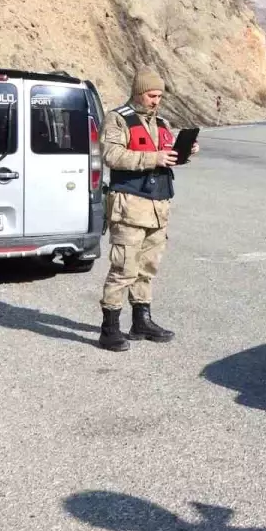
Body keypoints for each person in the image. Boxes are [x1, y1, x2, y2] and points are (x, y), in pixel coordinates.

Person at [97, 67, 198, 352]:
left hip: (158, 206)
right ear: (139, 93)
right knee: (123, 268)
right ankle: (110, 329)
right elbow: (111, 154)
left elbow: (168, 158)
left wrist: (185, 154)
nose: (156, 101)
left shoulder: (162, 122)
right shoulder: (118, 119)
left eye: (159, 96)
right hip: (130, 204)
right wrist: (154, 157)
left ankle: (141, 321)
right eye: (152, 95)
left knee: (147, 268)